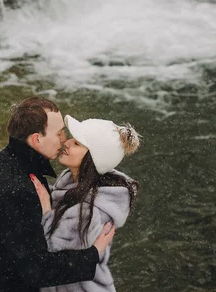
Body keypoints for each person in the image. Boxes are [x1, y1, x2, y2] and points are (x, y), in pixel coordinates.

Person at [0, 97, 116, 292]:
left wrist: (47, 212)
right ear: (37, 139)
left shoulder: (7, 160)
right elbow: (37, 270)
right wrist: (93, 254)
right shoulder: (17, 188)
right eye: (59, 133)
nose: (64, 139)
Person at [32, 114, 141, 292]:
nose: (66, 143)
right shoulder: (71, 182)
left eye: (77, 144)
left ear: (92, 158)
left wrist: (45, 211)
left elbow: (53, 257)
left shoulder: (91, 211)